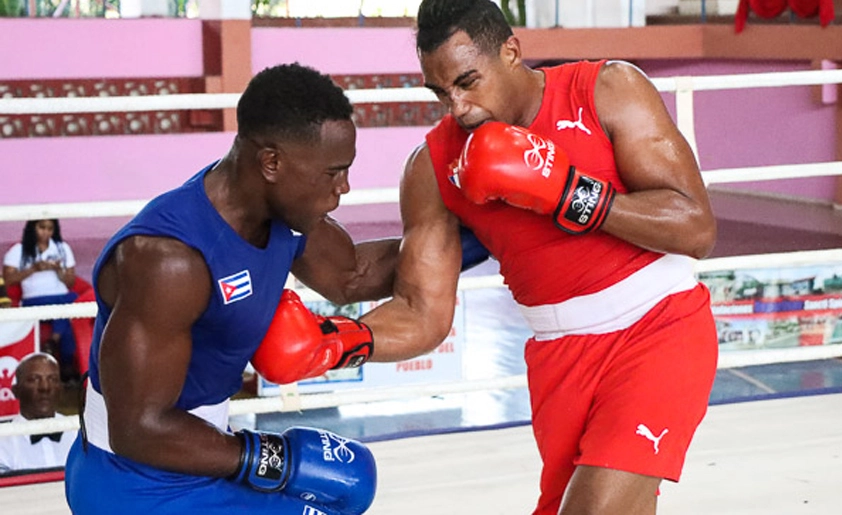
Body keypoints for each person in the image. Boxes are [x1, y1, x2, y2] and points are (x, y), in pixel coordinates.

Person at [352, 1, 720, 514]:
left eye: (467, 81)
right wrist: (337, 343)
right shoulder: (433, 166)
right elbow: (424, 312)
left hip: (658, 329)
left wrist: (570, 193)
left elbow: (695, 227)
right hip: (559, 354)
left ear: (511, 52)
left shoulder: (605, 89)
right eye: (441, 92)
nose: (457, 106)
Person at [64, 63, 403, 515]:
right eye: (332, 173)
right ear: (271, 162)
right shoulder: (169, 259)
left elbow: (353, 275)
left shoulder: (286, 214)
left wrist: (479, 232)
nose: (344, 187)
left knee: (349, 486)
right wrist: (270, 459)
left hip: (196, 459)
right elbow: (138, 428)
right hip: (132, 483)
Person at [2, 219, 79, 380]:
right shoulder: (19, 250)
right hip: (33, 299)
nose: (46, 232)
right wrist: (34, 269)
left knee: (69, 303)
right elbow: (8, 280)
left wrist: (59, 270)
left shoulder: (62, 248)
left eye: (50, 228)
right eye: (42, 227)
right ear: (33, 228)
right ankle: (64, 365)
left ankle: (53, 342)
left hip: (61, 296)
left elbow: (71, 282)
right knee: (64, 310)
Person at [0, 352, 75, 475]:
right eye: (34, 379)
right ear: (16, 391)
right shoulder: (3, 444)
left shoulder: (78, 435)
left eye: (52, 379)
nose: (45, 387)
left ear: (61, 388)